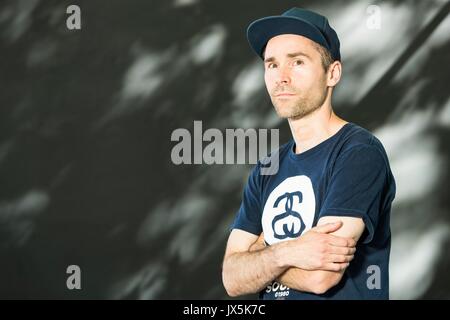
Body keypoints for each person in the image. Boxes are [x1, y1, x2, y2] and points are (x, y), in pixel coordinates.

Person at [222, 7, 396, 300]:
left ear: (333, 73)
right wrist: (290, 251)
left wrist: (259, 254)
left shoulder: (358, 153)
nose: (282, 77)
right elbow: (232, 278)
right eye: (272, 65)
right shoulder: (268, 168)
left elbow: (320, 276)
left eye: (297, 62)